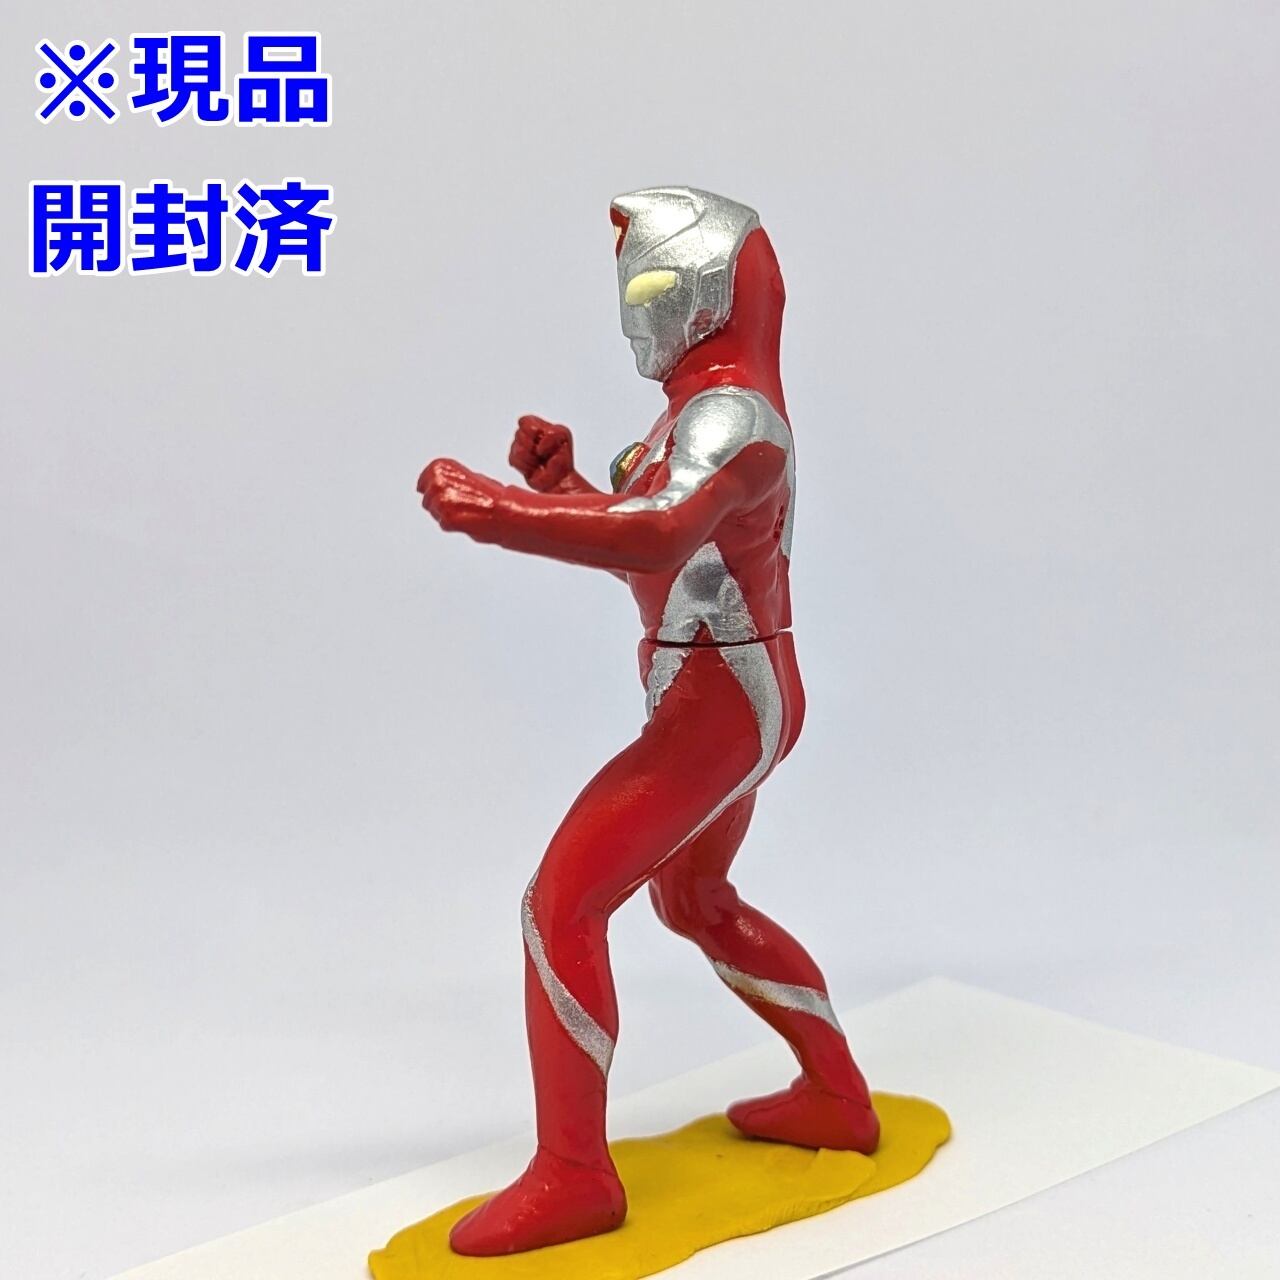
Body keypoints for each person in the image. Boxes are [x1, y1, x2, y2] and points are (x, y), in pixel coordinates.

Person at [418, 187, 878, 1257]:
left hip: (719, 704)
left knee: (560, 906)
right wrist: (565, 488)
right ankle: (836, 1096)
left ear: (713, 295)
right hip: (724, 693)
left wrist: (501, 511)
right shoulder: (708, 408)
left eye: (658, 287)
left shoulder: (729, 416)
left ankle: (575, 1173)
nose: (637, 314)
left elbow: (658, 531)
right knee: (694, 897)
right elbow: (670, 551)